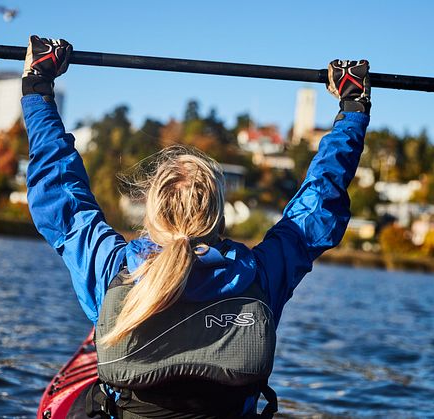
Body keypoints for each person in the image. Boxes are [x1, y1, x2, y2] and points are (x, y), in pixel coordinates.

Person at [22, 35, 371, 418]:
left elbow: (59, 193)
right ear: (219, 218)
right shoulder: (260, 276)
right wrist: (352, 108)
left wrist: (38, 85)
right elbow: (319, 202)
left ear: (151, 211)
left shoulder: (112, 270)